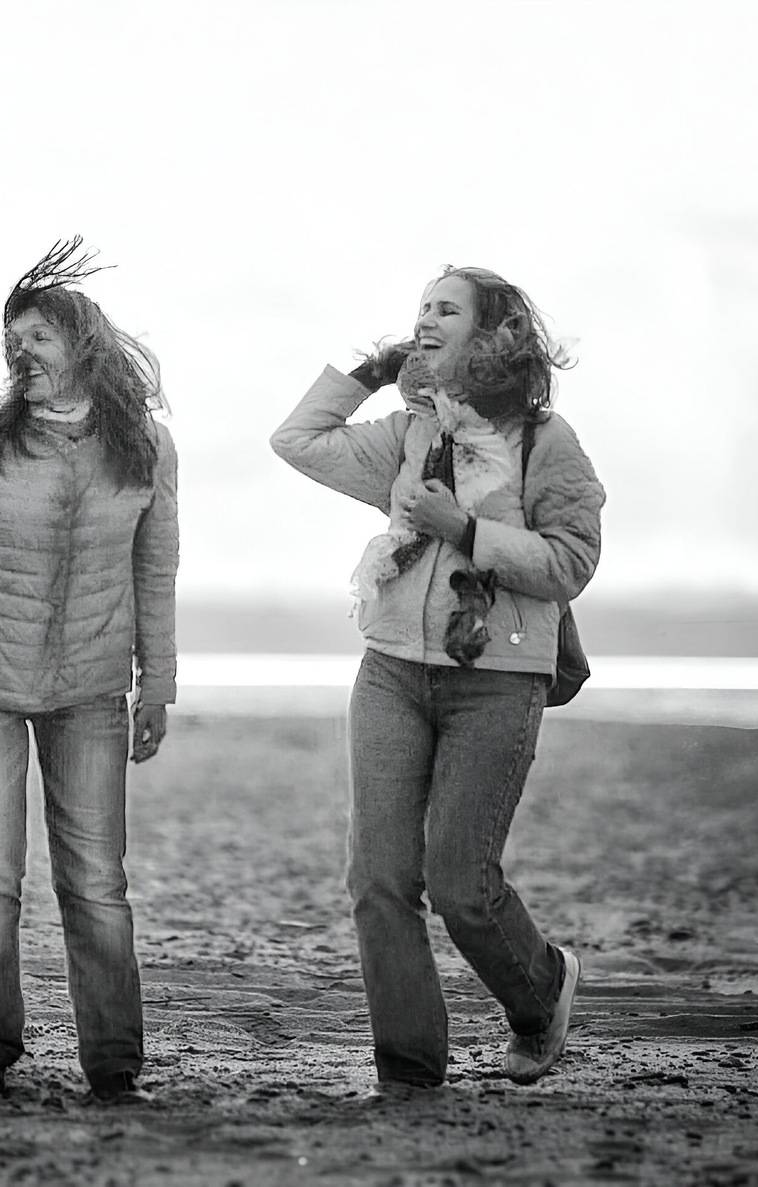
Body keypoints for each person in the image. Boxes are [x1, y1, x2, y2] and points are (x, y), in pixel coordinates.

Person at [270, 266, 605, 1092]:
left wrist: (465, 529)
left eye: (445, 308)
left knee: (462, 885)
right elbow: (297, 440)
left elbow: (572, 560)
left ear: (493, 332)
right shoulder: (410, 433)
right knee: (379, 878)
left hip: (498, 679)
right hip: (391, 668)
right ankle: (410, 1071)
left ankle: (541, 991)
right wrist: (371, 368)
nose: (424, 318)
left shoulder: (545, 441)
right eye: (420, 307)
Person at [0, 238, 178, 1103]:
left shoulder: (145, 448)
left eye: (38, 336)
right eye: (13, 339)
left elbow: (155, 569)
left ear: (82, 345)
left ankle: (114, 1062)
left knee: (97, 883)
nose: (20, 351)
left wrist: (158, 683)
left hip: (94, 693)